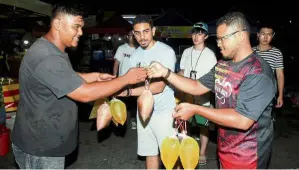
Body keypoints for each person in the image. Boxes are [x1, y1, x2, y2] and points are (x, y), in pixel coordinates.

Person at [11, 4, 146, 169]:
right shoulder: (47, 57)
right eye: (76, 27)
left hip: (40, 140)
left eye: (81, 27)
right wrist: (126, 78)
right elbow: (84, 94)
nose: (81, 33)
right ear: (58, 25)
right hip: (41, 146)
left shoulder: (51, 50)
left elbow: (65, 76)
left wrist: (94, 77)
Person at [147, 12, 276, 169]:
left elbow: (243, 120)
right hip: (224, 149)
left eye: (223, 38)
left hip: (249, 155)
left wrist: (196, 109)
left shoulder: (257, 71)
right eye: (218, 38)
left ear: (241, 36)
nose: (219, 43)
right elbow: (196, 86)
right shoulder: (223, 65)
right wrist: (166, 73)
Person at [119, 15, 176, 169]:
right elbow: (129, 80)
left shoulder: (166, 52)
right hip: (143, 111)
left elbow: (159, 87)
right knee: (149, 153)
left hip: (165, 113)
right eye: (137, 33)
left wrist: (128, 93)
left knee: (171, 156)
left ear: (154, 31)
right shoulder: (135, 54)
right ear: (133, 33)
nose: (142, 37)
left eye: (146, 31)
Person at [179, 21, 217, 165]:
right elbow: (182, 71)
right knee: (185, 122)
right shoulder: (186, 52)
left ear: (206, 36)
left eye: (200, 33)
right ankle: (186, 148)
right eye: (194, 32)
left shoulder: (210, 55)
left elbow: (213, 78)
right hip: (187, 94)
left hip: (203, 94)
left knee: (203, 125)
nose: (196, 36)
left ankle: (202, 152)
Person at [252, 24, 284, 121]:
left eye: (269, 34)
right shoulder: (251, 51)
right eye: (263, 34)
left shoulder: (277, 53)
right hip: (252, 91)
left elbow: (280, 75)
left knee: (266, 120)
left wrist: (281, 95)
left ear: (272, 36)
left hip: (269, 93)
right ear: (258, 35)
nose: (265, 37)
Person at [113, 30, 138, 129]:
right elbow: (116, 64)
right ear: (127, 37)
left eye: (134, 35)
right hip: (122, 81)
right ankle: (118, 120)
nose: (133, 37)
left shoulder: (139, 49)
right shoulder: (122, 48)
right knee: (120, 102)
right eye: (131, 35)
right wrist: (114, 79)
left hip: (135, 81)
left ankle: (133, 120)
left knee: (134, 103)